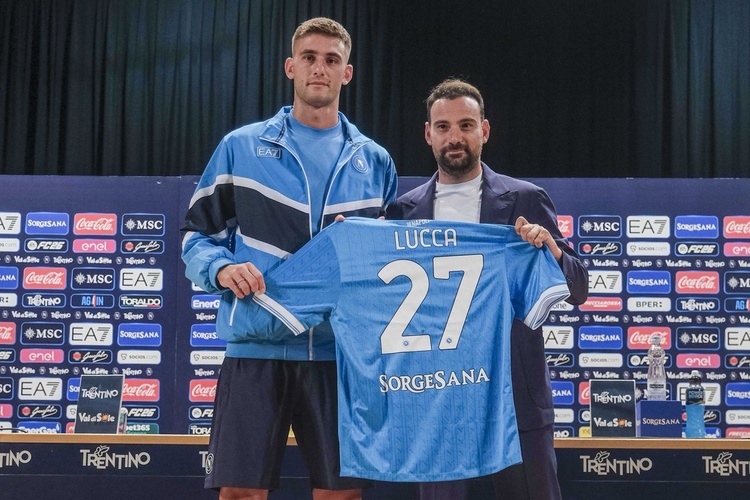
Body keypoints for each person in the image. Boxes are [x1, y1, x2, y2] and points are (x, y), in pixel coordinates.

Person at [181, 17, 398, 500]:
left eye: (332, 60)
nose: (320, 68)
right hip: (256, 348)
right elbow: (196, 237)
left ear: (347, 73)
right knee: (240, 493)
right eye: (310, 57)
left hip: (339, 354)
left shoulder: (375, 162)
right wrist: (221, 268)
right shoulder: (240, 147)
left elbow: (386, 263)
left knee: (341, 495)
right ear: (290, 66)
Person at [387, 78, 588, 500]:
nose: (454, 137)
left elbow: (578, 288)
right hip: (436, 399)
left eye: (465, 125)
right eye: (443, 127)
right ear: (428, 134)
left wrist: (551, 250)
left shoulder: (526, 199)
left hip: (515, 400)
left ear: (485, 130)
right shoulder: (402, 213)